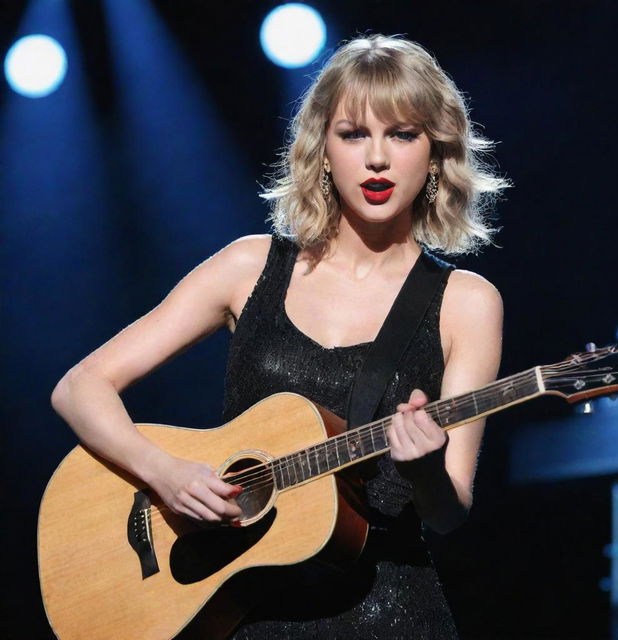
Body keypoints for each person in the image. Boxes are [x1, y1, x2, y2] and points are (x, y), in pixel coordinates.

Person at [52, 34, 506, 638]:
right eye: (353, 135)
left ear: (435, 154)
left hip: (391, 616)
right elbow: (80, 387)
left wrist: (423, 469)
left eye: (402, 134)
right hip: (245, 609)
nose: (376, 159)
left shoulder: (467, 302)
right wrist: (164, 473)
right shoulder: (248, 267)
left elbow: (449, 513)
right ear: (322, 150)